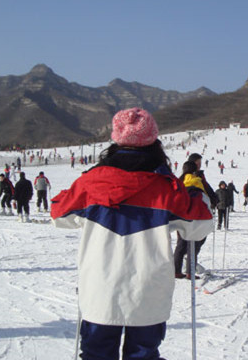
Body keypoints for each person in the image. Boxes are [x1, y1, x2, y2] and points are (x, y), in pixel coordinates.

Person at [51, 108, 213, 360]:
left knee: (96, 355)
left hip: (99, 289)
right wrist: (195, 195)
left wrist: (74, 190)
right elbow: (200, 225)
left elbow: (58, 214)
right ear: (153, 141)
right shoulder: (167, 187)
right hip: (148, 292)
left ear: (116, 139)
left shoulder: (90, 182)